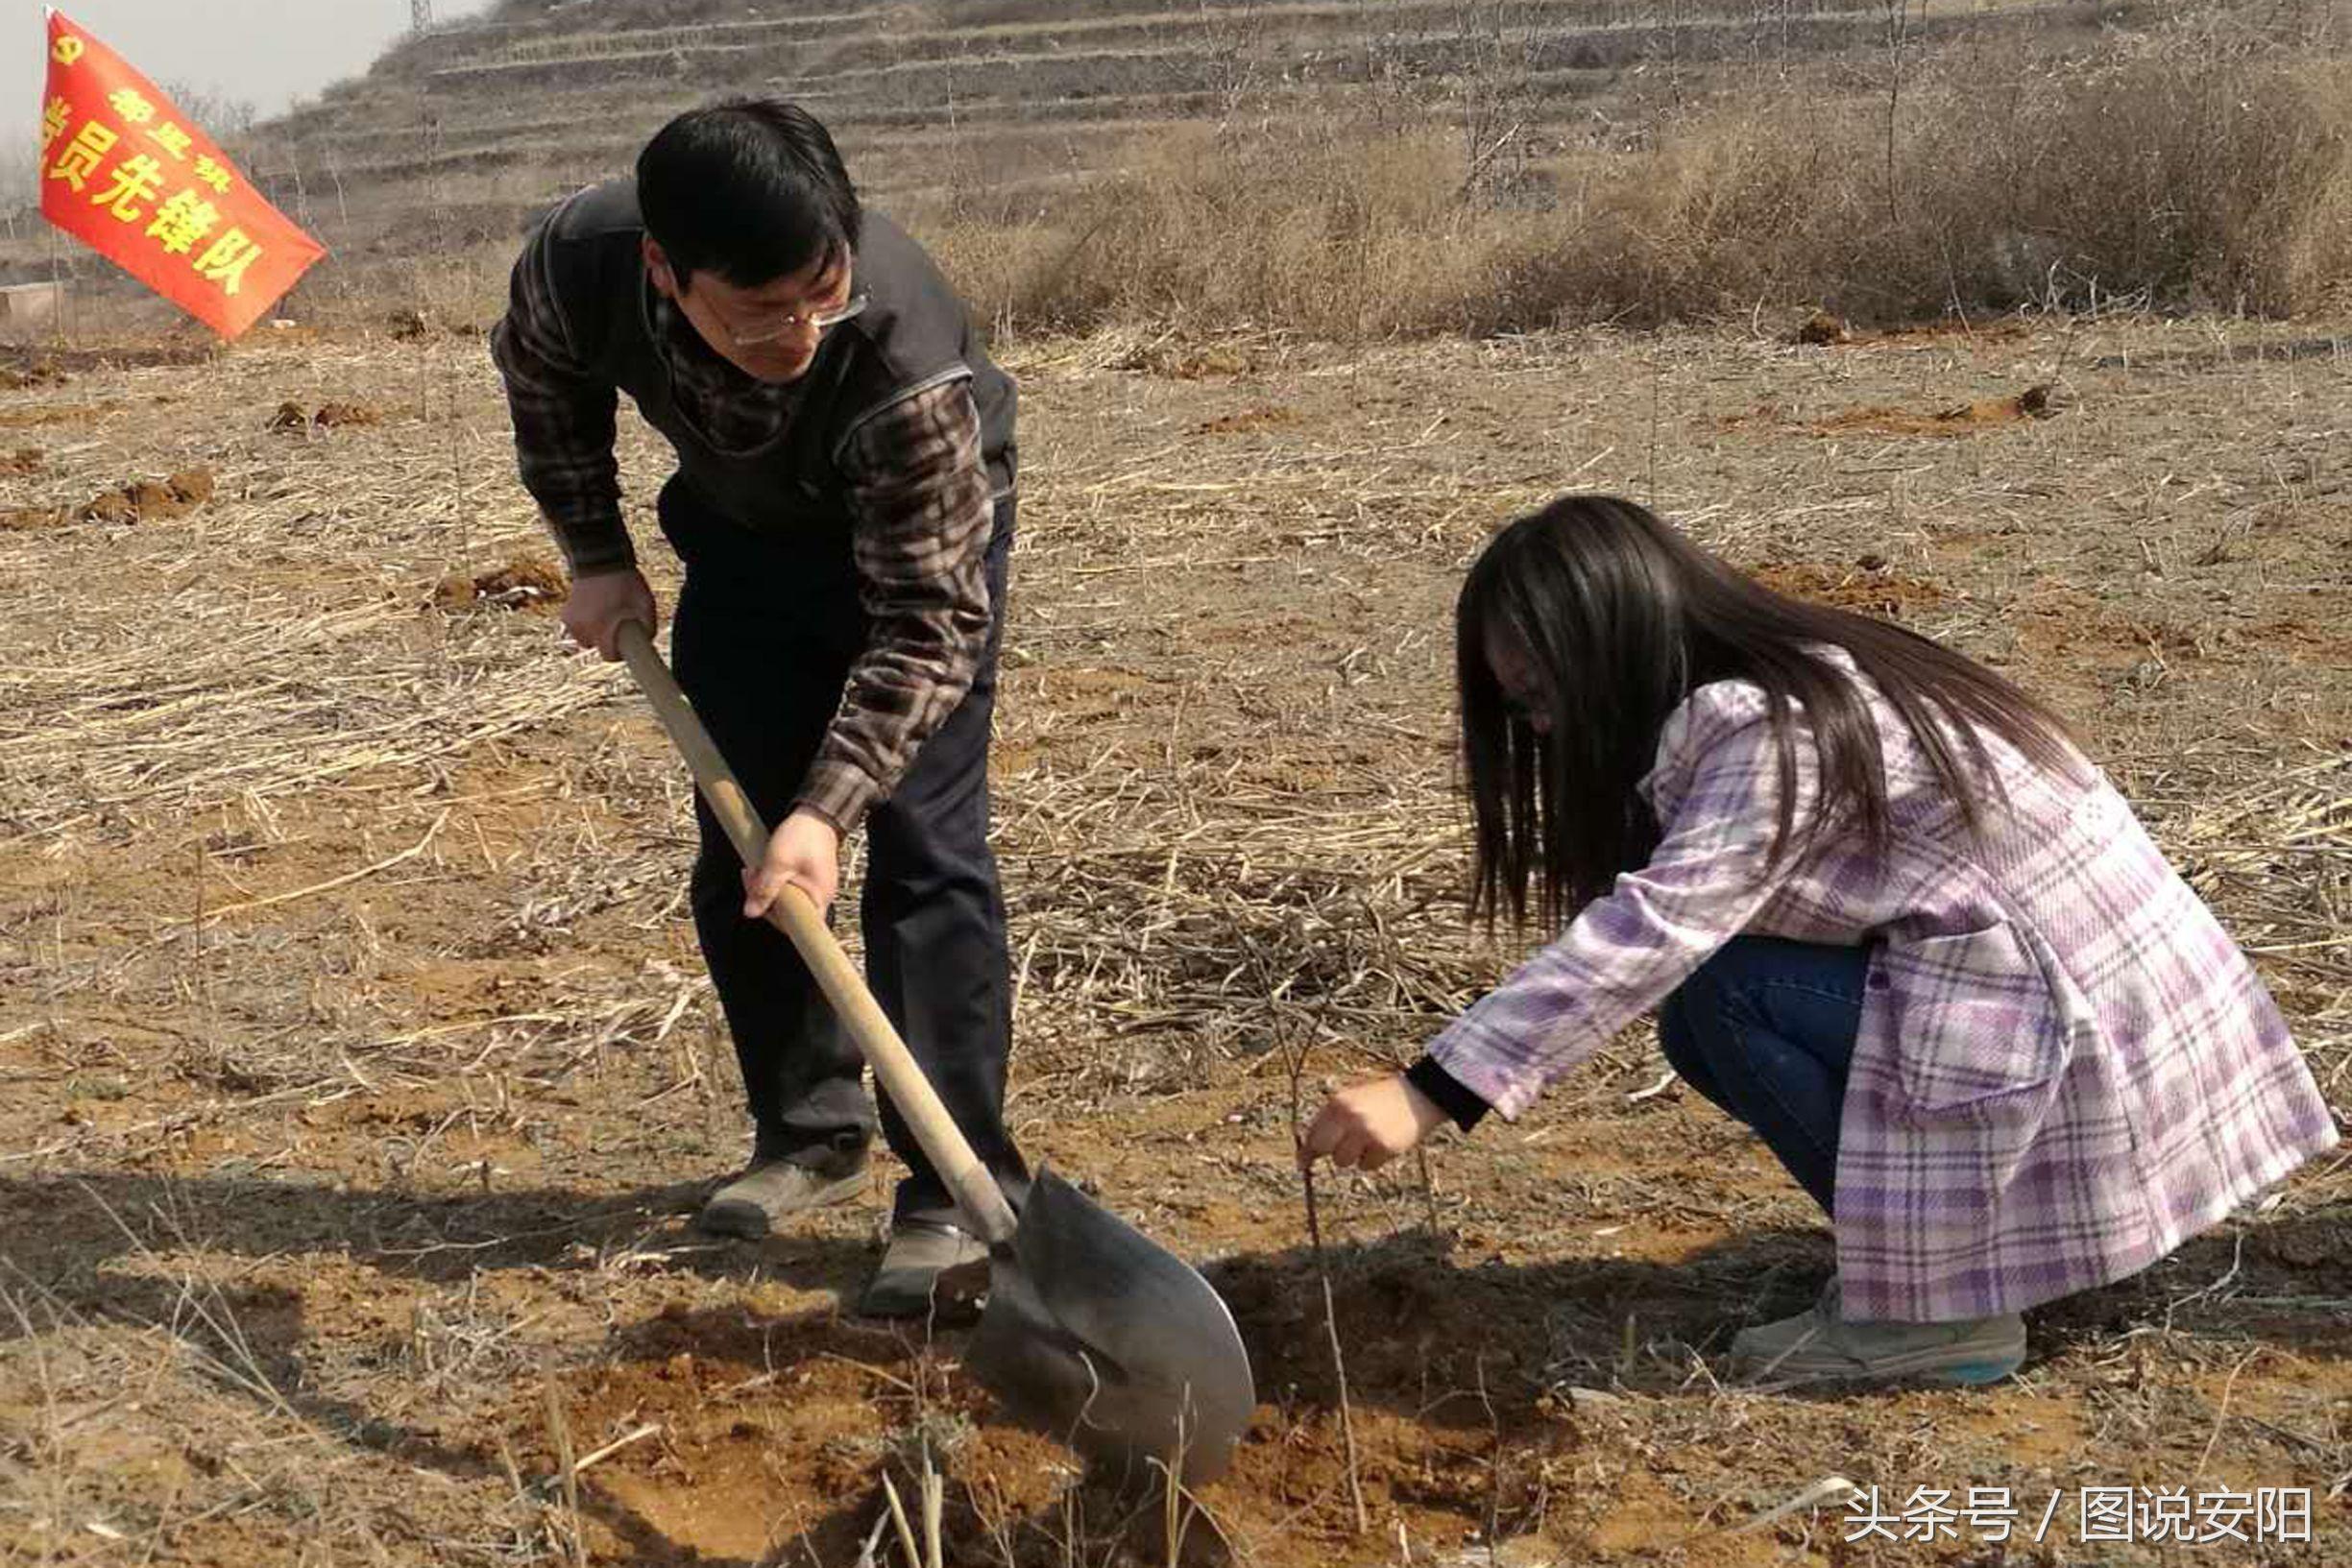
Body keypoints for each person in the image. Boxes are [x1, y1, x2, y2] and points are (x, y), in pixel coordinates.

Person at [1301, 495, 2338, 1385]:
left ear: (1614, 647)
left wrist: (1432, 1089)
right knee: (1708, 1012)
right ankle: (1950, 1261)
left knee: (1724, 997)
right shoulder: (1813, 668)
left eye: (1541, 696)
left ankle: (1932, 1317)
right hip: (2103, 1032)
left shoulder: (1767, 729)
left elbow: (1659, 925)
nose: (1535, 731)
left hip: (2085, 1048)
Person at [490, 98, 1028, 1317]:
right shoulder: (579, 264)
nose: (799, 330)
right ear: (665, 274)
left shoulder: (904, 368)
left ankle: (957, 1185)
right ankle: (808, 1133)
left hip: (913, 557)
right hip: (739, 533)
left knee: (925, 854)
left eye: (819, 292)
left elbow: (927, 627)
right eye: (760, 311)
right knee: (743, 840)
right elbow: (541, 374)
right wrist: (591, 547)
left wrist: (831, 810)